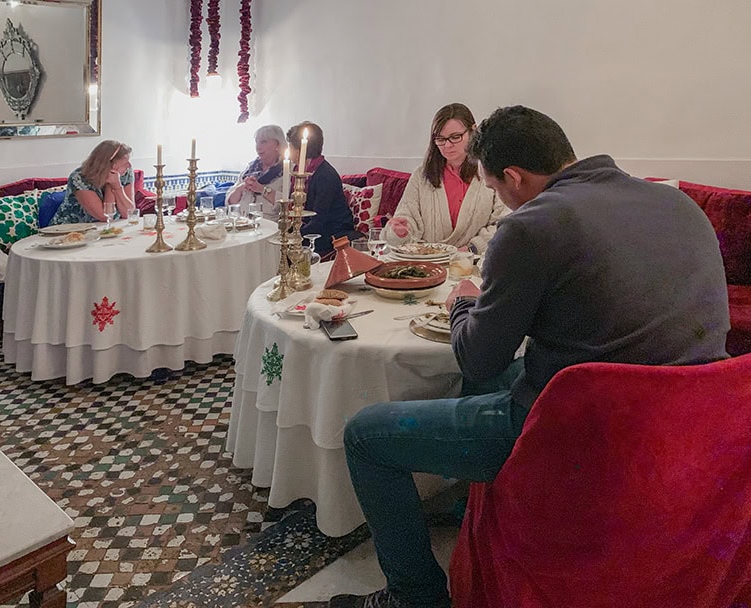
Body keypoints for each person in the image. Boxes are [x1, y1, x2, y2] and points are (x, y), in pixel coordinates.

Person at [329, 106, 730, 608]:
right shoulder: (678, 205)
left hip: (585, 429)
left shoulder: (533, 225)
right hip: (697, 420)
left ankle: (414, 596)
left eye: (496, 189)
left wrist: (465, 304)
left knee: (365, 435)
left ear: (513, 177)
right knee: (504, 372)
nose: (500, 199)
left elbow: (476, 358)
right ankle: (470, 504)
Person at [383, 103, 505, 253]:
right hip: (427, 263)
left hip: (474, 262)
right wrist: (401, 231)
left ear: (473, 131)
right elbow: (406, 218)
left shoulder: (491, 172)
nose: (447, 145)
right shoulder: (421, 176)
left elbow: (503, 224)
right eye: (440, 139)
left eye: (455, 137)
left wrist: (472, 248)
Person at [285, 121, 358, 256]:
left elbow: (319, 220)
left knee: (282, 247)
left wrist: (291, 236)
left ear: (300, 150)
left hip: (332, 232)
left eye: (290, 147)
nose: (288, 151)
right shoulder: (297, 171)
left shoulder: (325, 175)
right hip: (310, 227)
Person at [49, 140, 135, 225]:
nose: (129, 165)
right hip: (69, 231)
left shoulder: (125, 173)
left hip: (106, 229)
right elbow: (104, 216)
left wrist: (116, 186)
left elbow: (129, 213)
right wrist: (111, 185)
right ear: (108, 164)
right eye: (125, 162)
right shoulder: (79, 178)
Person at [225, 124, 287, 220]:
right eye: (256, 142)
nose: (258, 147)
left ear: (277, 145)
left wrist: (262, 189)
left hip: (268, 226)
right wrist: (241, 188)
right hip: (240, 222)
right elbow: (230, 202)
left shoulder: (287, 171)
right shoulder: (250, 168)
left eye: (263, 142)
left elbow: (287, 204)